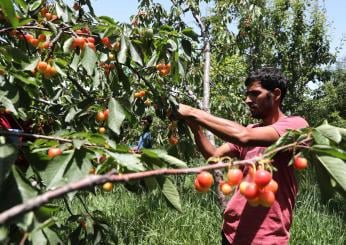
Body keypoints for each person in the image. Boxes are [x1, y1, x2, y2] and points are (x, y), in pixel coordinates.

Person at [177, 67, 308, 245]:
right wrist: (194, 125)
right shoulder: (253, 129)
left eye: (255, 94)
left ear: (276, 94)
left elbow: (243, 137)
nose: (247, 100)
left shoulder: (296, 125)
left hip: (266, 238)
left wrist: (194, 112)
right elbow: (214, 155)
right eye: (247, 95)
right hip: (231, 232)